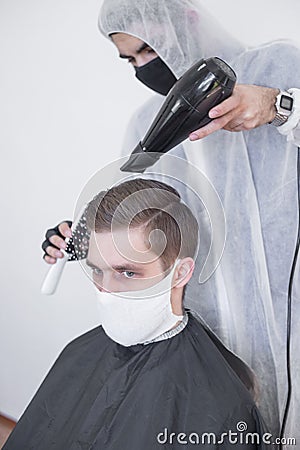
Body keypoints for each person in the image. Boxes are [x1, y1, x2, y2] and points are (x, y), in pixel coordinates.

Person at [41, 0, 300, 442]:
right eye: (131, 60)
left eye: (147, 49)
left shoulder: (277, 66)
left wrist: (277, 105)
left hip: (288, 304)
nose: (143, 67)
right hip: (207, 318)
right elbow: (142, 216)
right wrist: (85, 239)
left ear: (186, 22)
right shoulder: (149, 124)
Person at [5, 179, 270, 449]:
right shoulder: (78, 353)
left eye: (127, 272)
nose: (105, 290)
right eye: (97, 269)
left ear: (181, 272)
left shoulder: (223, 407)